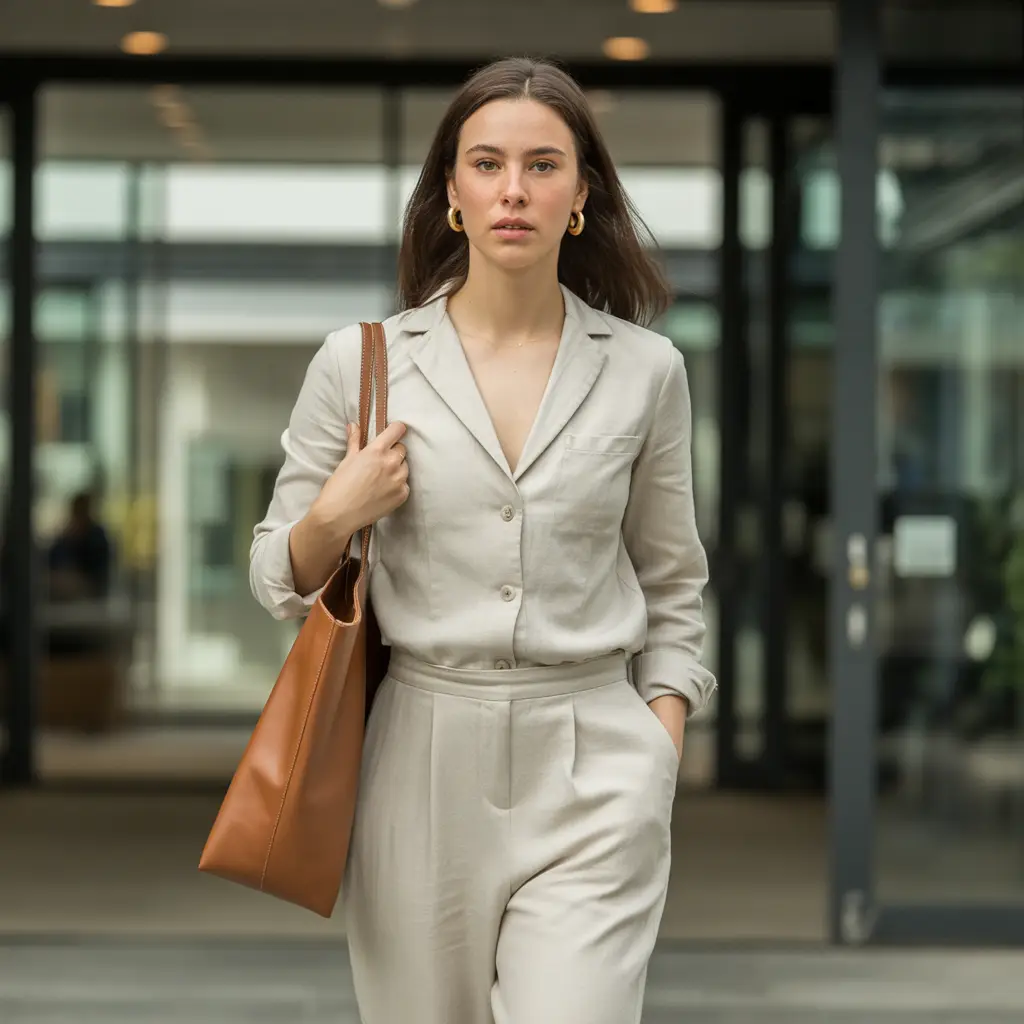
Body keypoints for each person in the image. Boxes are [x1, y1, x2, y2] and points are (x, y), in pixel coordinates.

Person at [250, 57, 716, 1024]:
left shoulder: (646, 371)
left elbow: (673, 581)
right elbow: (273, 576)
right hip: (418, 758)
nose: (514, 190)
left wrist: (659, 746)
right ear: (451, 194)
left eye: (543, 165)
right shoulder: (363, 364)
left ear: (581, 195)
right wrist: (337, 511)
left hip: (596, 762)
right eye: (488, 164)